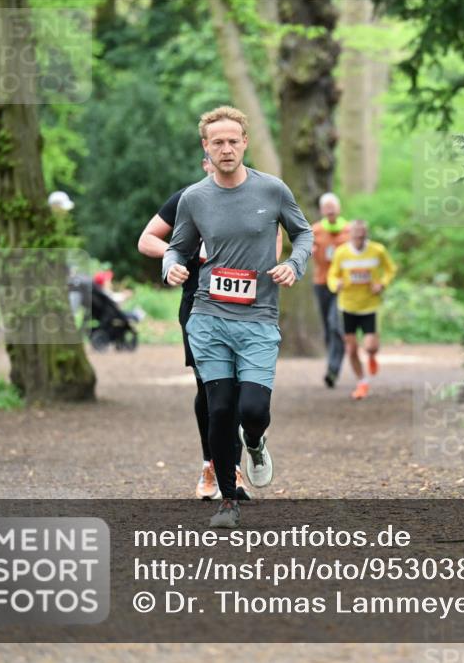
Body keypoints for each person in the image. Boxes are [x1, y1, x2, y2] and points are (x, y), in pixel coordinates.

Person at [163, 105, 313, 528]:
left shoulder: (273, 191)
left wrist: (294, 264)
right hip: (208, 315)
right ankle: (228, 501)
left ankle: (257, 441)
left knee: (252, 409)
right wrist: (171, 265)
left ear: (244, 143)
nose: (226, 149)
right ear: (205, 148)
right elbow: (176, 246)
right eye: (217, 142)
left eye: (233, 141)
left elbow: (304, 233)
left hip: (259, 318)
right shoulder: (194, 198)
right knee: (220, 407)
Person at [140, 156, 282, 501]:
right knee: (210, 390)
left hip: (248, 303)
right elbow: (146, 240)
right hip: (200, 302)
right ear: (206, 162)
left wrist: (267, 267)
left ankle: (233, 467)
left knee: (242, 391)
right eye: (214, 157)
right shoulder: (189, 198)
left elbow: (274, 239)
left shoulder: (258, 197)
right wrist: (177, 255)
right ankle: (210, 464)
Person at [327, 220, 396, 400]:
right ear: (350, 235)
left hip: (370, 305)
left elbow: (390, 269)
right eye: (356, 235)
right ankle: (362, 382)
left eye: (362, 235)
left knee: (371, 346)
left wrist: (382, 284)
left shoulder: (378, 250)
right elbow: (332, 275)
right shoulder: (341, 252)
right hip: (348, 305)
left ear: (366, 234)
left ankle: (372, 356)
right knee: (351, 349)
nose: (359, 238)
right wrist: (336, 284)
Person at [311, 192, 350, 388]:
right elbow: (306, 251)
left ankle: (332, 370)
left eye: (333, 206)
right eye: (326, 207)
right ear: (321, 211)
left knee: (335, 325)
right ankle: (332, 362)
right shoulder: (315, 230)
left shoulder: (349, 231)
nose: (330, 210)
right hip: (321, 283)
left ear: (339, 208)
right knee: (328, 328)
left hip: (343, 286)